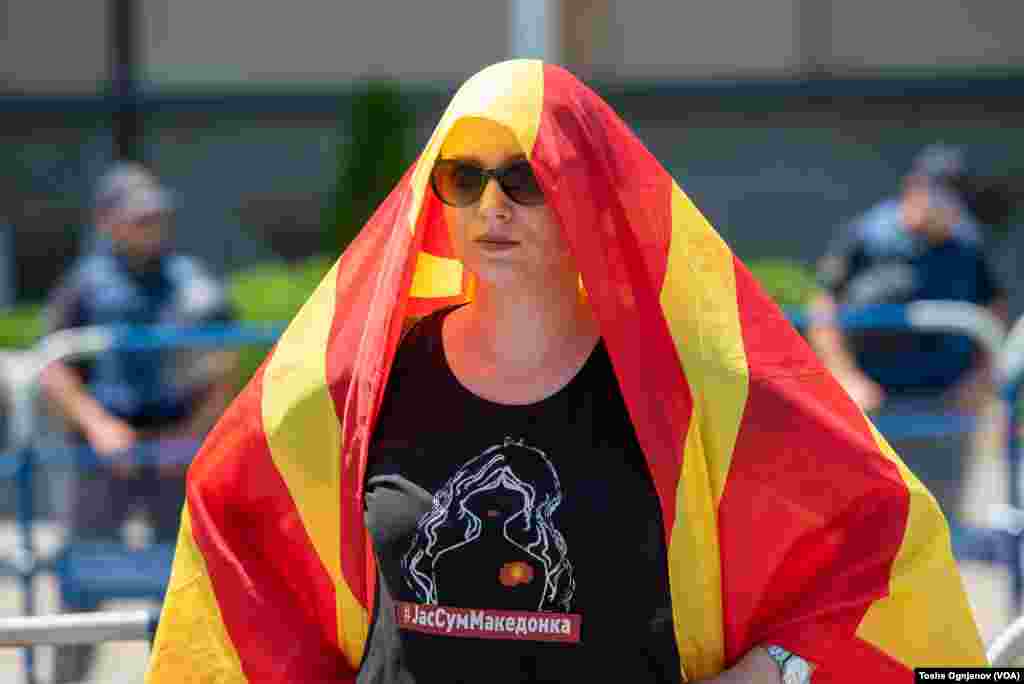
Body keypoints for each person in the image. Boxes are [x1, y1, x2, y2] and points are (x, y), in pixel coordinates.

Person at [146, 61, 985, 684]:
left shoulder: (694, 393)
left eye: (524, 177)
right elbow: (230, 525)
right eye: (463, 179)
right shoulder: (360, 390)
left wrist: (772, 671)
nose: (491, 207)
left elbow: (885, 535)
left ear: (591, 193)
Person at [39, 162, 237, 683]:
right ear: (107, 221)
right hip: (102, 456)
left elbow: (225, 362)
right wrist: (99, 426)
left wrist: (192, 433)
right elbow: (54, 368)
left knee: (185, 587)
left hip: (175, 456)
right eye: (139, 217)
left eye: (157, 216)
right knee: (81, 582)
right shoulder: (82, 287)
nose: (153, 226)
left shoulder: (190, 281)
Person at [808, 144, 1008, 519]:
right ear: (914, 187)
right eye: (939, 191)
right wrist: (846, 377)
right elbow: (824, 308)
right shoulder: (867, 236)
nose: (947, 204)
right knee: (872, 523)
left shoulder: (968, 243)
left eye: (955, 195)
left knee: (940, 524)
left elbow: (992, 313)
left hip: (943, 410)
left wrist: (978, 380)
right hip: (874, 408)